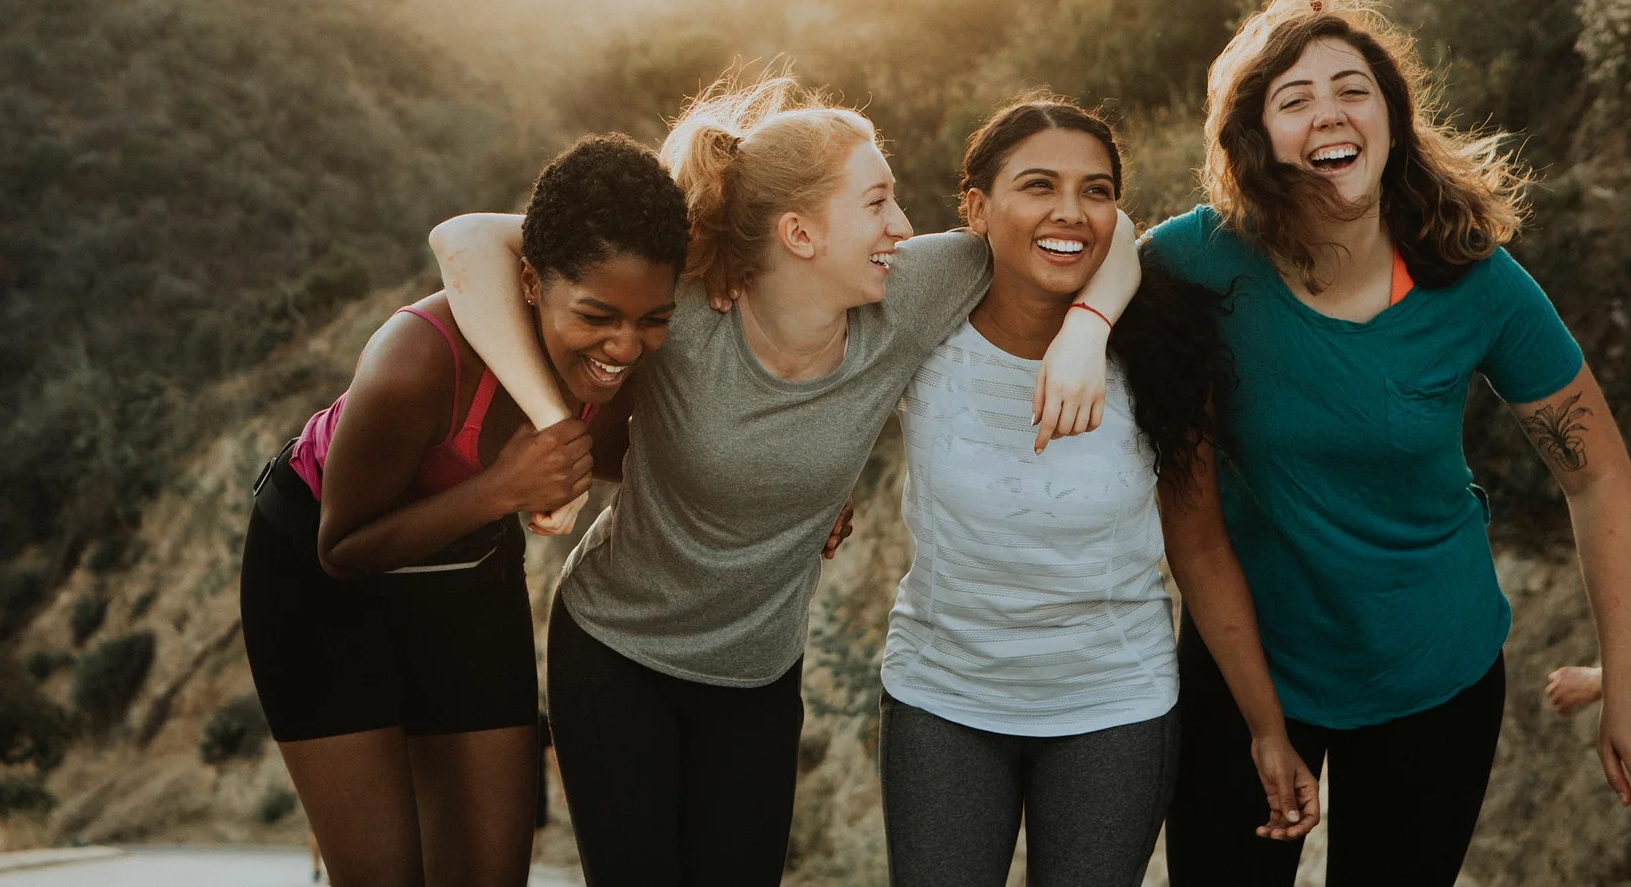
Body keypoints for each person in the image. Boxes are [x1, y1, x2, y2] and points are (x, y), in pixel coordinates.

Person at [429, 70, 1140, 887]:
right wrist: (554, 421)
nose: (904, 227)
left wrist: (1087, 330)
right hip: (617, 651)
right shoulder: (686, 303)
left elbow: (1103, 228)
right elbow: (465, 240)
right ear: (800, 233)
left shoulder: (911, 290)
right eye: (877, 204)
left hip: (758, 674)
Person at [1151, 0, 1631, 886]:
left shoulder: (1475, 277)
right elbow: (1087, 252)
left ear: (1391, 115)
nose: (1331, 113)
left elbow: (1599, 476)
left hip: (1434, 667)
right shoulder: (1201, 257)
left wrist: (1627, 685)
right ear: (1257, 137)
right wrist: (1079, 331)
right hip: (1248, 663)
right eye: (1294, 99)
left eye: (1354, 89)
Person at [878, 97, 1319, 887]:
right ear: (977, 208)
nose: (1070, 213)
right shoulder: (921, 319)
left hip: (1113, 708)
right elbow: (821, 379)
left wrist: (1267, 726)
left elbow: (1202, 544)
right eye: (1038, 185)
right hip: (941, 696)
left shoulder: (1161, 351)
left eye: (1097, 190)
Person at [239, 134, 688, 887]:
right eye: (598, 314)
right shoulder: (417, 359)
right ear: (531, 282)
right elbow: (341, 547)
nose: (624, 344)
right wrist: (501, 490)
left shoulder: (620, 365)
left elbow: (653, 458)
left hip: (466, 577)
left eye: (652, 319)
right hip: (319, 587)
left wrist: (808, 500)